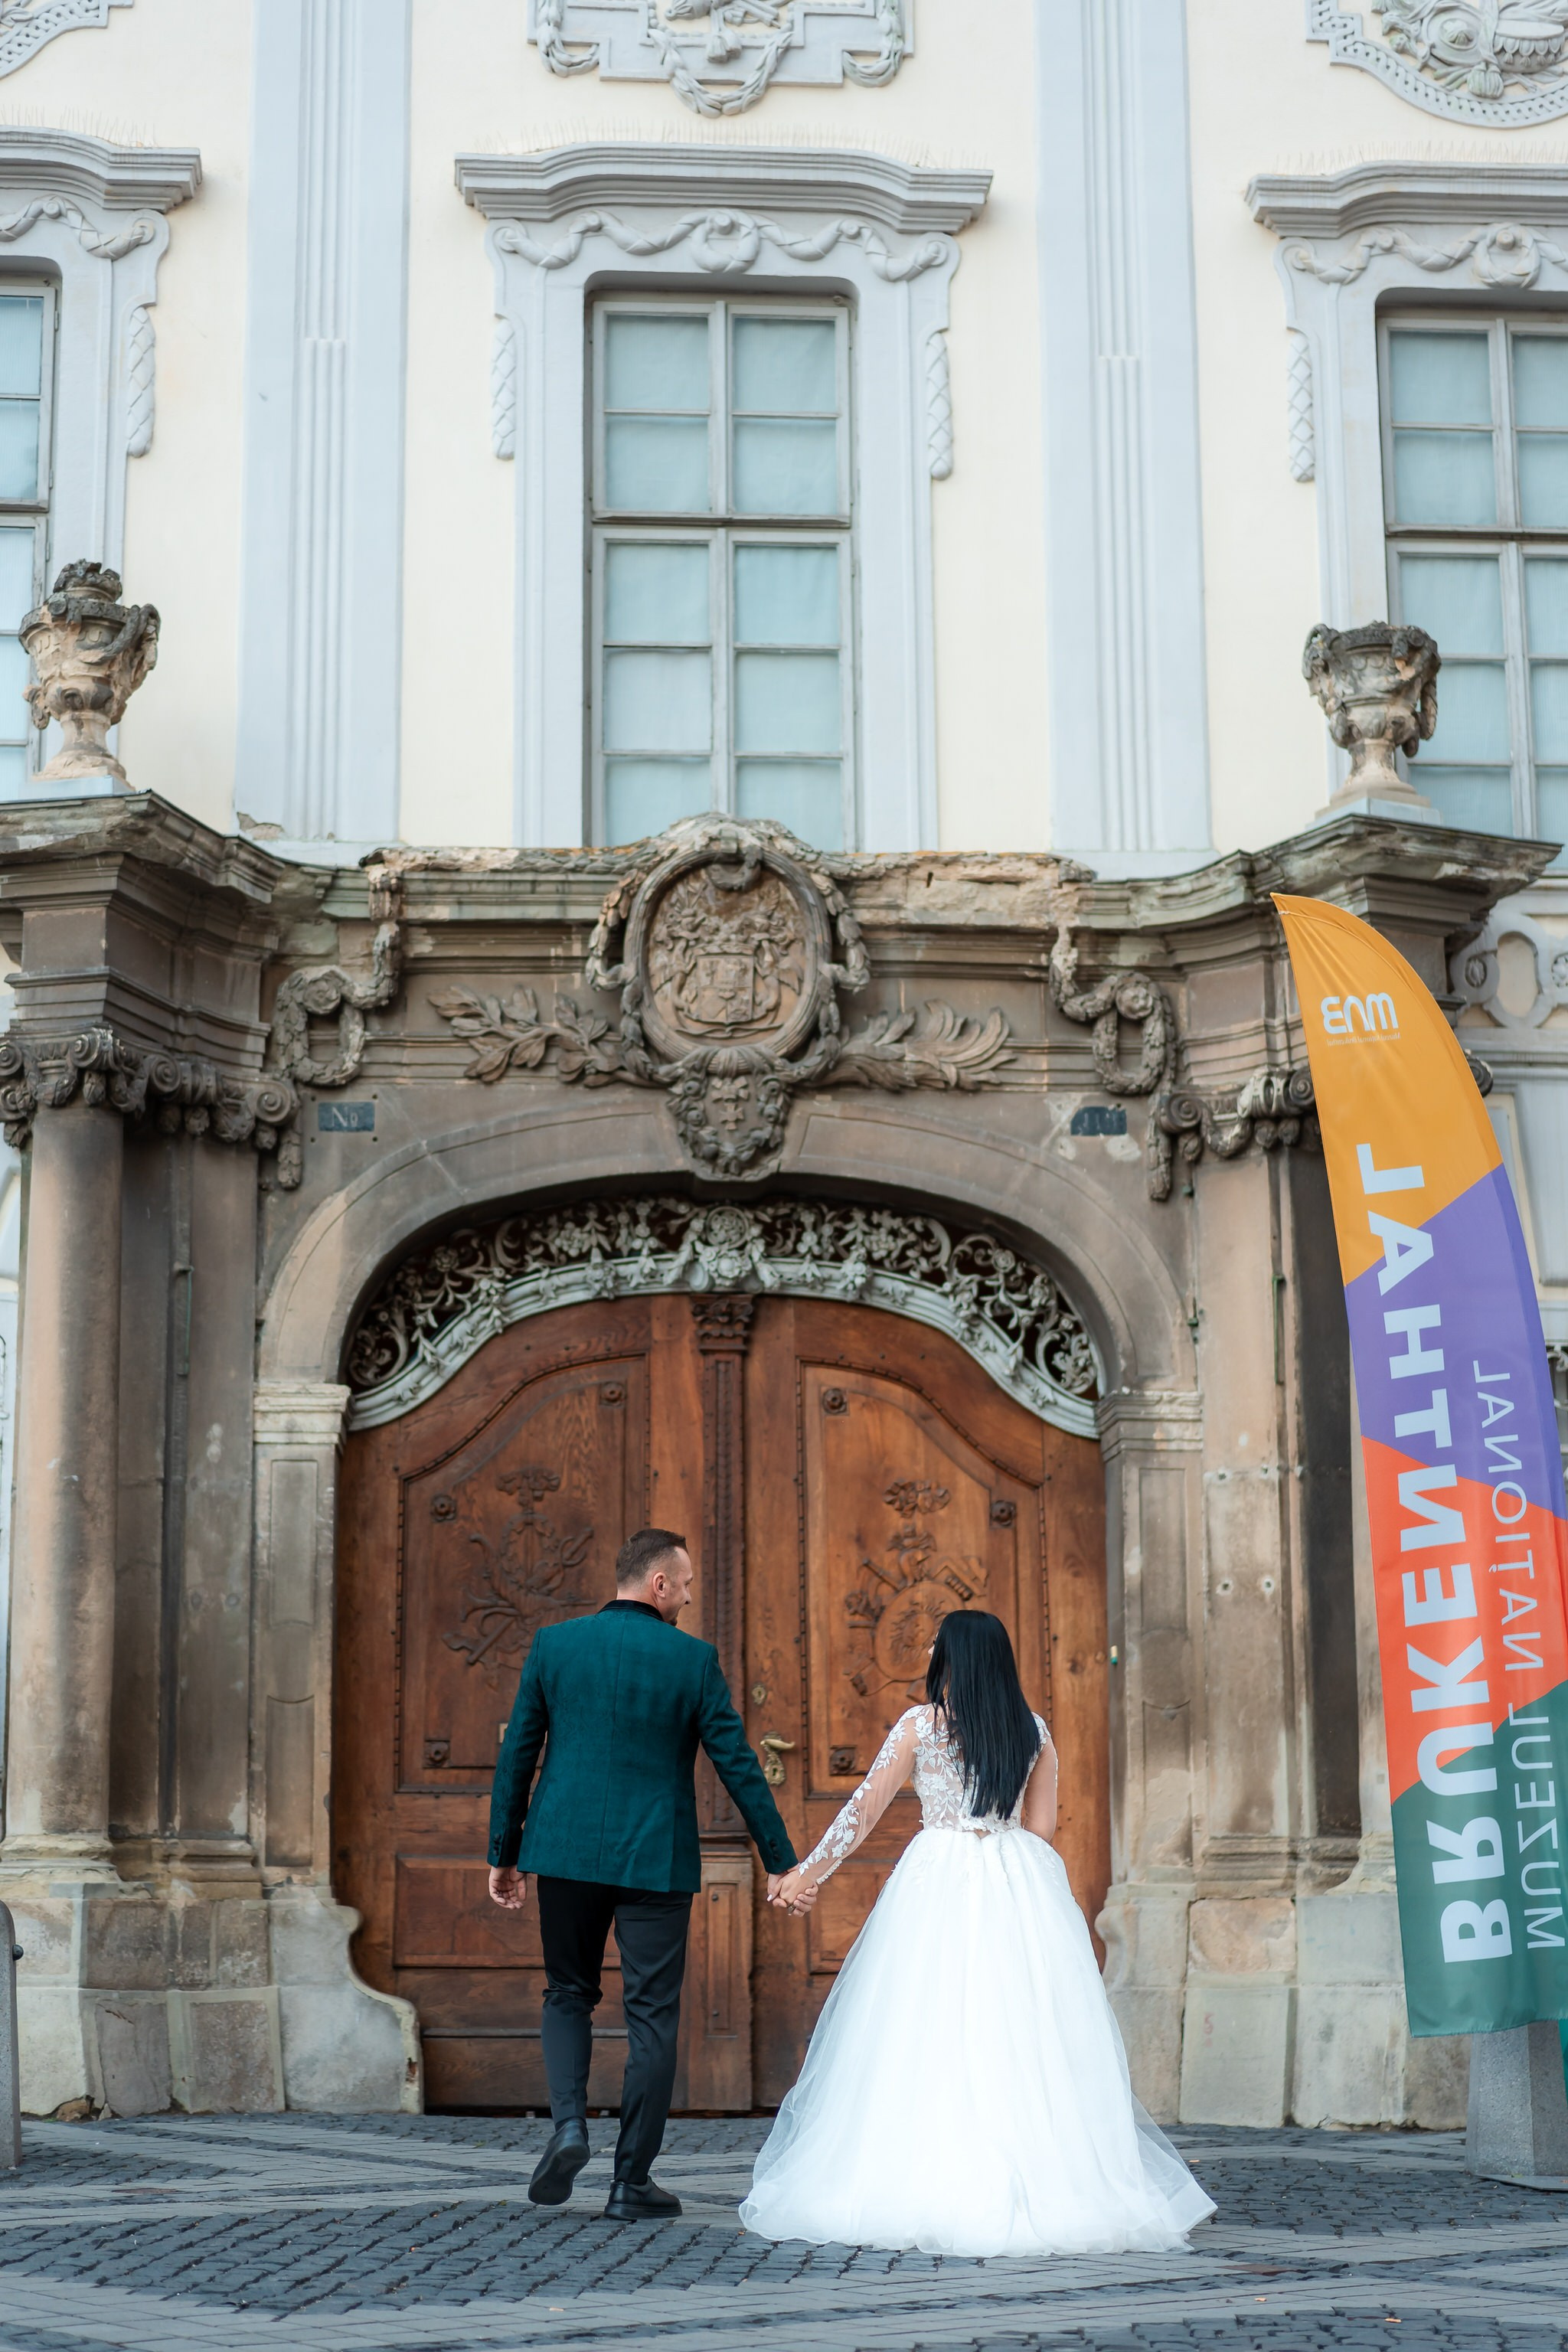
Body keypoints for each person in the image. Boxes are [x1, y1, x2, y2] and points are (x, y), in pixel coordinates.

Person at [740, 1609, 1214, 2257]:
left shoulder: (919, 1726)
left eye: (938, 1645)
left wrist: (806, 1875)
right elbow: (1042, 1828)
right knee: (1023, 2029)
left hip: (938, 1876)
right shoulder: (1035, 1732)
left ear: (953, 1657)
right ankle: (1044, 2175)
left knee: (922, 2022)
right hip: (1016, 1879)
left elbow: (863, 1810)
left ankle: (926, 2165)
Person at [488, 1526, 807, 2221]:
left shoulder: (555, 1646)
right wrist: (780, 1859)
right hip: (654, 1858)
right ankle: (631, 2182)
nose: (689, 1597)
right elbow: (738, 1764)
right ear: (658, 1584)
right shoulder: (691, 1661)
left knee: (567, 1992)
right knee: (652, 2018)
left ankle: (569, 2125)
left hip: (564, 1850)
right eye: (686, 1584)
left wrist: (503, 1852)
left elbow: (518, 1755)